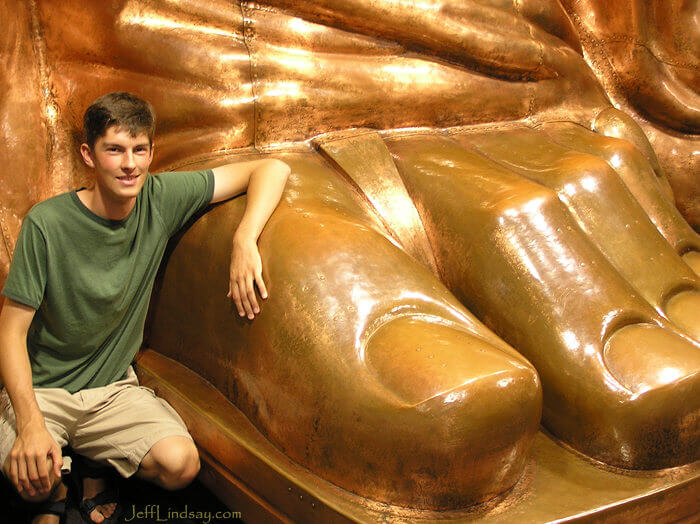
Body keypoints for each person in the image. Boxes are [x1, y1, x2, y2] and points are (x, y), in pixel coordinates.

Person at [0, 92, 290, 524]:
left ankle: (94, 465)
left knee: (180, 464)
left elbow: (272, 167)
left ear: (152, 152)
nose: (129, 164)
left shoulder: (160, 196)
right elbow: (10, 334)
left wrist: (244, 238)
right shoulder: (47, 223)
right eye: (114, 149)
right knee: (29, 474)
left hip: (112, 390)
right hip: (43, 390)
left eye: (139, 149)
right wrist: (29, 423)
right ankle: (59, 488)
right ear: (89, 155)